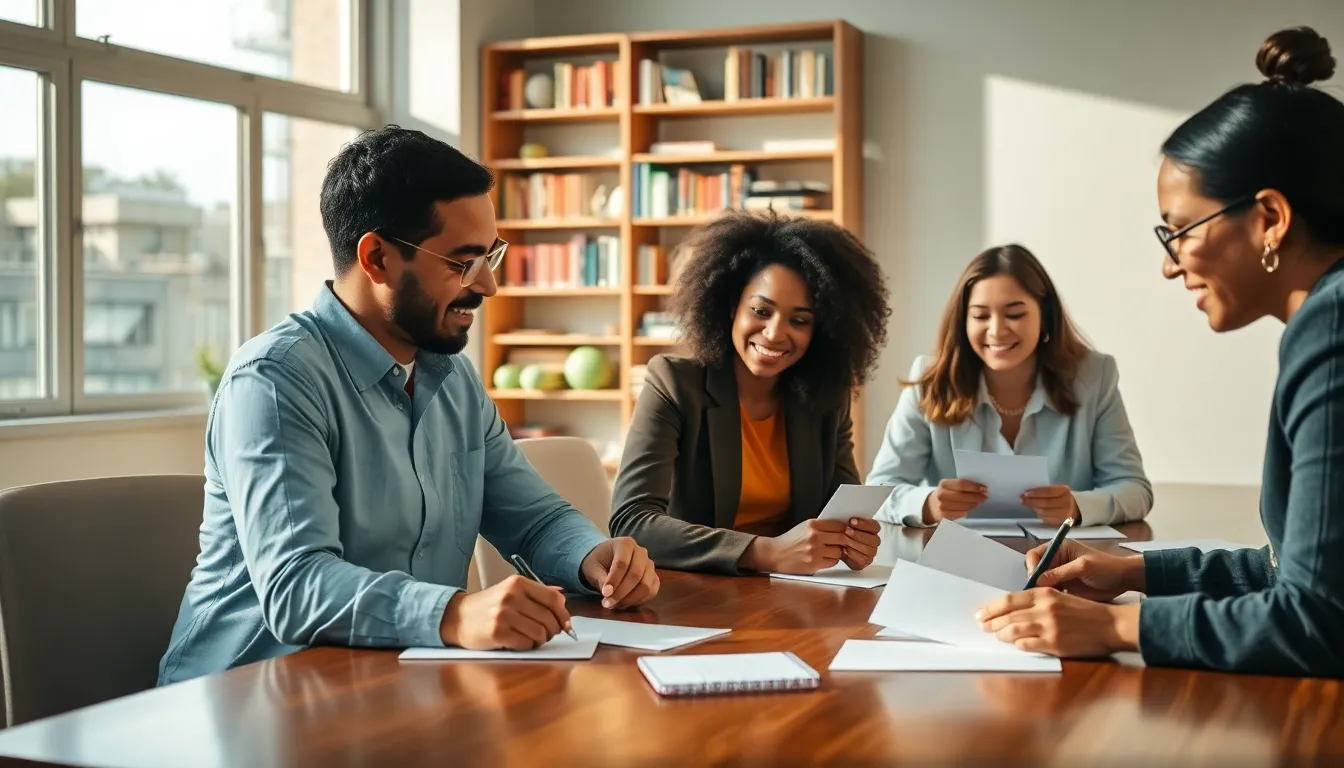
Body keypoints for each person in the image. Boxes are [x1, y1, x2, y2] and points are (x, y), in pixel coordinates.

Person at [158, 127, 658, 685]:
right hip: (247, 702)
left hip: (391, 687)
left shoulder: (453, 381)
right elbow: (297, 586)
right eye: (463, 262)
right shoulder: (275, 380)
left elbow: (537, 520)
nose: (488, 285)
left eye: (490, 254)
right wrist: (453, 613)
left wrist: (595, 557)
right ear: (376, 257)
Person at [978, 27, 1344, 676]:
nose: (1170, 267)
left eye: (1179, 232)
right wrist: (1136, 572)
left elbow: (1318, 622)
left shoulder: (1332, 330)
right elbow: (1290, 568)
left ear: (1270, 219)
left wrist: (1114, 624)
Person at [609, 212, 892, 575]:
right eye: (761, 310)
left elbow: (841, 513)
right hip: (694, 594)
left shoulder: (826, 397)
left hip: (791, 596)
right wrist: (765, 553)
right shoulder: (674, 384)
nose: (774, 333)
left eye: (799, 320)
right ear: (731, 307)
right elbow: (632, 522)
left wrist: (854, 540)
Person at [868, 244, 1152, 527]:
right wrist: (928, 504)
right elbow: (878, 490)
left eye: (1014, 314)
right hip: (958, 562)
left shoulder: (1094, 376)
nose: (996, 330)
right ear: (963, 322)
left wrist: (1077, 507)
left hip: (1063, 560)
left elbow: (1134, 489)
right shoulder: (930, 381)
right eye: (980, 316)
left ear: (1045, 316)